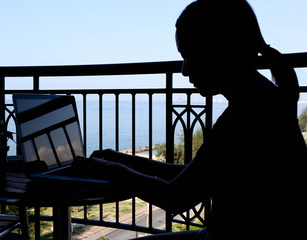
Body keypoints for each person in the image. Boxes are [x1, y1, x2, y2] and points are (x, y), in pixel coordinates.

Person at [72, 0, 307, 239]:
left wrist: (111, 169)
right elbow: (193, 176)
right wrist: (119, 158)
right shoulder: (262, 98)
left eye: (189, 56)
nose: (184, 70)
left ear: (219, 51)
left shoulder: (246, 115)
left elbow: (176, 197)